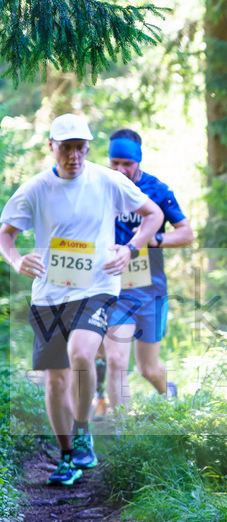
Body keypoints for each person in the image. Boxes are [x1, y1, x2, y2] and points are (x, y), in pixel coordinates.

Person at [0, 113, 161, 485]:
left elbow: (152, 214)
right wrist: (16, 260)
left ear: (89, 148)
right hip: (49, 293)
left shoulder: (107, 180)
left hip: (97, 288)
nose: (74, 156)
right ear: (52, 147)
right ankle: (68, 453)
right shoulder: (35, 189)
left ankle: (83, 428)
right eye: (67, 148)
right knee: (56, 382)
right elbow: (5, 235)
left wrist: (131, 248)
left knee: (82, 353)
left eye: (81, 149)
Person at [104, 128, 194, 409]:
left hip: (151, 290)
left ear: (139, 161)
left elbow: (187, 234)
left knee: (147, 368)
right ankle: (122, 435)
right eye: (114, 163)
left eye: (127, 164)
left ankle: (169, 392)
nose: (120, 170)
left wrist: (154, 240)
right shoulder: (99, 187)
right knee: (117, 360)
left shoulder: (157, 191)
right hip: (114, 287)